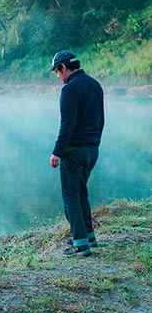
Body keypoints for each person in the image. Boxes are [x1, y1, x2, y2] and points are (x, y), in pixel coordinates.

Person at [48, 50, 104, 257]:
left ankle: (80, 244)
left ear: (63, 67)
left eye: (56, 71)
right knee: (81, 194)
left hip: (75, 152)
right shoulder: (95, 85)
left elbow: (67, 125)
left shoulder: (70, 89)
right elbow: (101, 121)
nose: (57, 76)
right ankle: (89, 238)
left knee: (70, 196)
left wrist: (57, 152)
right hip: (92, 149)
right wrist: (94, 143)